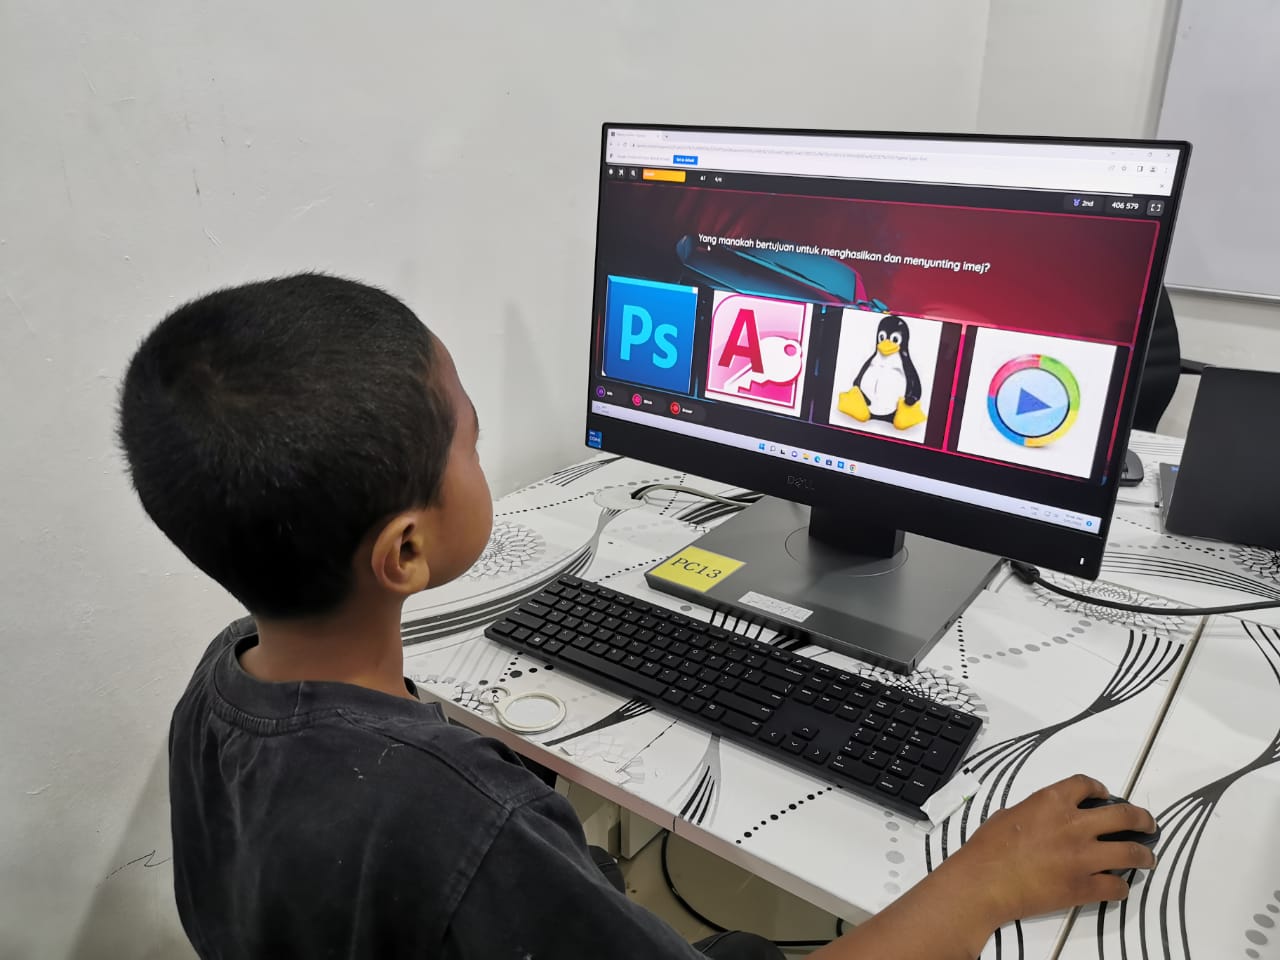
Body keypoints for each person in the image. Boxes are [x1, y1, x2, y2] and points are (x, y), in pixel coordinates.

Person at [117, 273, 1158, 960]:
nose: (483, 447)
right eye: (468, 438)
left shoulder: (222, 686)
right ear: (407, 551)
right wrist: (990, 878)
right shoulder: (467, 822)